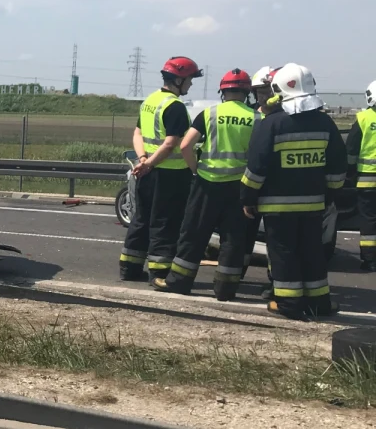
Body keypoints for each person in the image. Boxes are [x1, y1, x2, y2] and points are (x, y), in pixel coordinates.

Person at [241, 63, 346, 319]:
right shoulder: (325, 123)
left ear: (277, 90)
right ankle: (319, 304)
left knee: (283, 253)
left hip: (277, 207)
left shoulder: (272, 123)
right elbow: (337, 167)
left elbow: (256, 168)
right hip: (313, 206)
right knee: (312, 252)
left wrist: (248, 198)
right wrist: (329, 195)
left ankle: (288, 304)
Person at [153, 69, 256, 300]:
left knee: (193, 234)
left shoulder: (209, 114)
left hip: (207, 185)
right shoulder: (256, 118)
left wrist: (196, 169)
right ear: (247, 91)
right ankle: (225, 289)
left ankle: (179, 282)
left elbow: (185, 145)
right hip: (239, 187)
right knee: (233, 239)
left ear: (223, 91)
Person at [119, 56, 202, 283]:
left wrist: (143, 160)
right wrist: (151, 163)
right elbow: (171, 143)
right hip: (170, 174)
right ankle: (160, 272)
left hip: (147, 172)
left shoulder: (150, 100)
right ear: (178, 80)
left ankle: (129, 268)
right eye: (189, 80)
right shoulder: (174, 106)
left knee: (141, 219)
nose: (191, 84)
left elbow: (137, 133)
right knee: (165, 222)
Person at [345, 79, 376, 271]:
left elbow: (351, 151)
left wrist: (349, 174)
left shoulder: (363, 118)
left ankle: (370, 260)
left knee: (369, 220)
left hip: (367, 180)